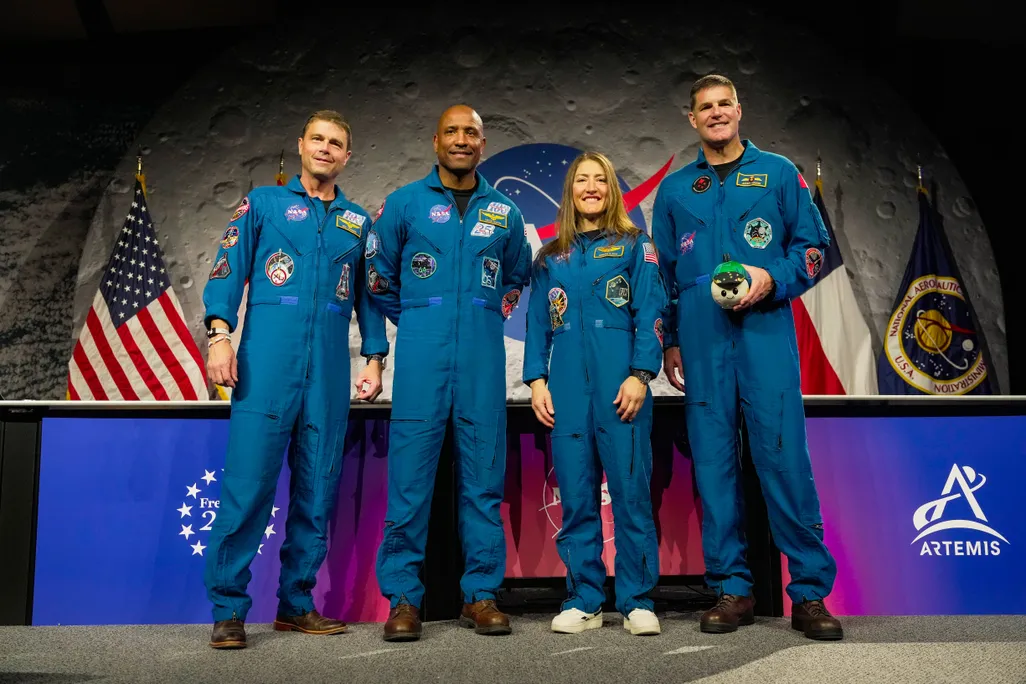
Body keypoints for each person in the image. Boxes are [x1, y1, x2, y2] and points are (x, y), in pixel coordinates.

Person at [650, 74, 844, 641]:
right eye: (704, 108)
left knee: (785, 461)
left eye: (724, 104)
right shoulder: (677, 189)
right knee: (714, 467)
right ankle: (732, 588)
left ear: (740, 110)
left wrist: (770, 277)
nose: (715, 114)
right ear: (692, 119)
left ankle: (809, 594)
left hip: (764, 336)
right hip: (703, 343)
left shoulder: (780, 174)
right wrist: (669, 340)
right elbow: (662, 273)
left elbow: (812, 252)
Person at [202, 109, 389, 649]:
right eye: (318, 140)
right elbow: (225, 271)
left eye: (337, 143)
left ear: (346, 156)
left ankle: (296, 603)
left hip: (327, 374)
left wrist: (374, 356)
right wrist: (220, 336)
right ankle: (229, 609)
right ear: (301, 145)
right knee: (247, 488)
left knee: (317, 491)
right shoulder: (263, 204)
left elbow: (369, 298)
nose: (326, 149)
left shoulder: (358, 222)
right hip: (266, 368)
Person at [366, 104, 532, 641]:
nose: (462, 140)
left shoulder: (504, 211)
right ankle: (403, 599)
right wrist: (419, 318)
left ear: (483, 144)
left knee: (483, 482)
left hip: (482, 359)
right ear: (436, 140)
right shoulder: (404, 205)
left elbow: (516, 276)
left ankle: (481, 594)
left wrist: (477, 315)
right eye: (453, 132)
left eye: (472, 133)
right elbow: (379, 275)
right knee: (409, 484)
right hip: (421, 355)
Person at [522, 152, 667, 636]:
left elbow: (650, 310)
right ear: (571, 191)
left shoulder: (633, 244)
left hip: (619, 383)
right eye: (581, 180)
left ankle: (637, 600)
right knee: (578, 497)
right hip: (565, 387)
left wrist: (640, 374)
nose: (590, 187)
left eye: (599, 180)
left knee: (629, 495)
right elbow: (538, 322)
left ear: (611, 189)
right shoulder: (550, 256)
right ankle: (584, 598)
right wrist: (537, 381)